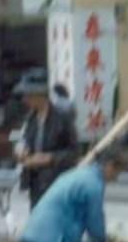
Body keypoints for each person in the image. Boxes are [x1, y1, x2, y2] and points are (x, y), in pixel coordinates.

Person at [13, 70, 80, 209]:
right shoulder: (30, 118)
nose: (25, 100)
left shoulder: (62, 118)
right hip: (35, 184)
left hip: (57, 182)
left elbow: (74, 153)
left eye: (29, 95)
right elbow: (23, 139)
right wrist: (21, 150)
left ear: (40, 95)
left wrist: (49, 158)